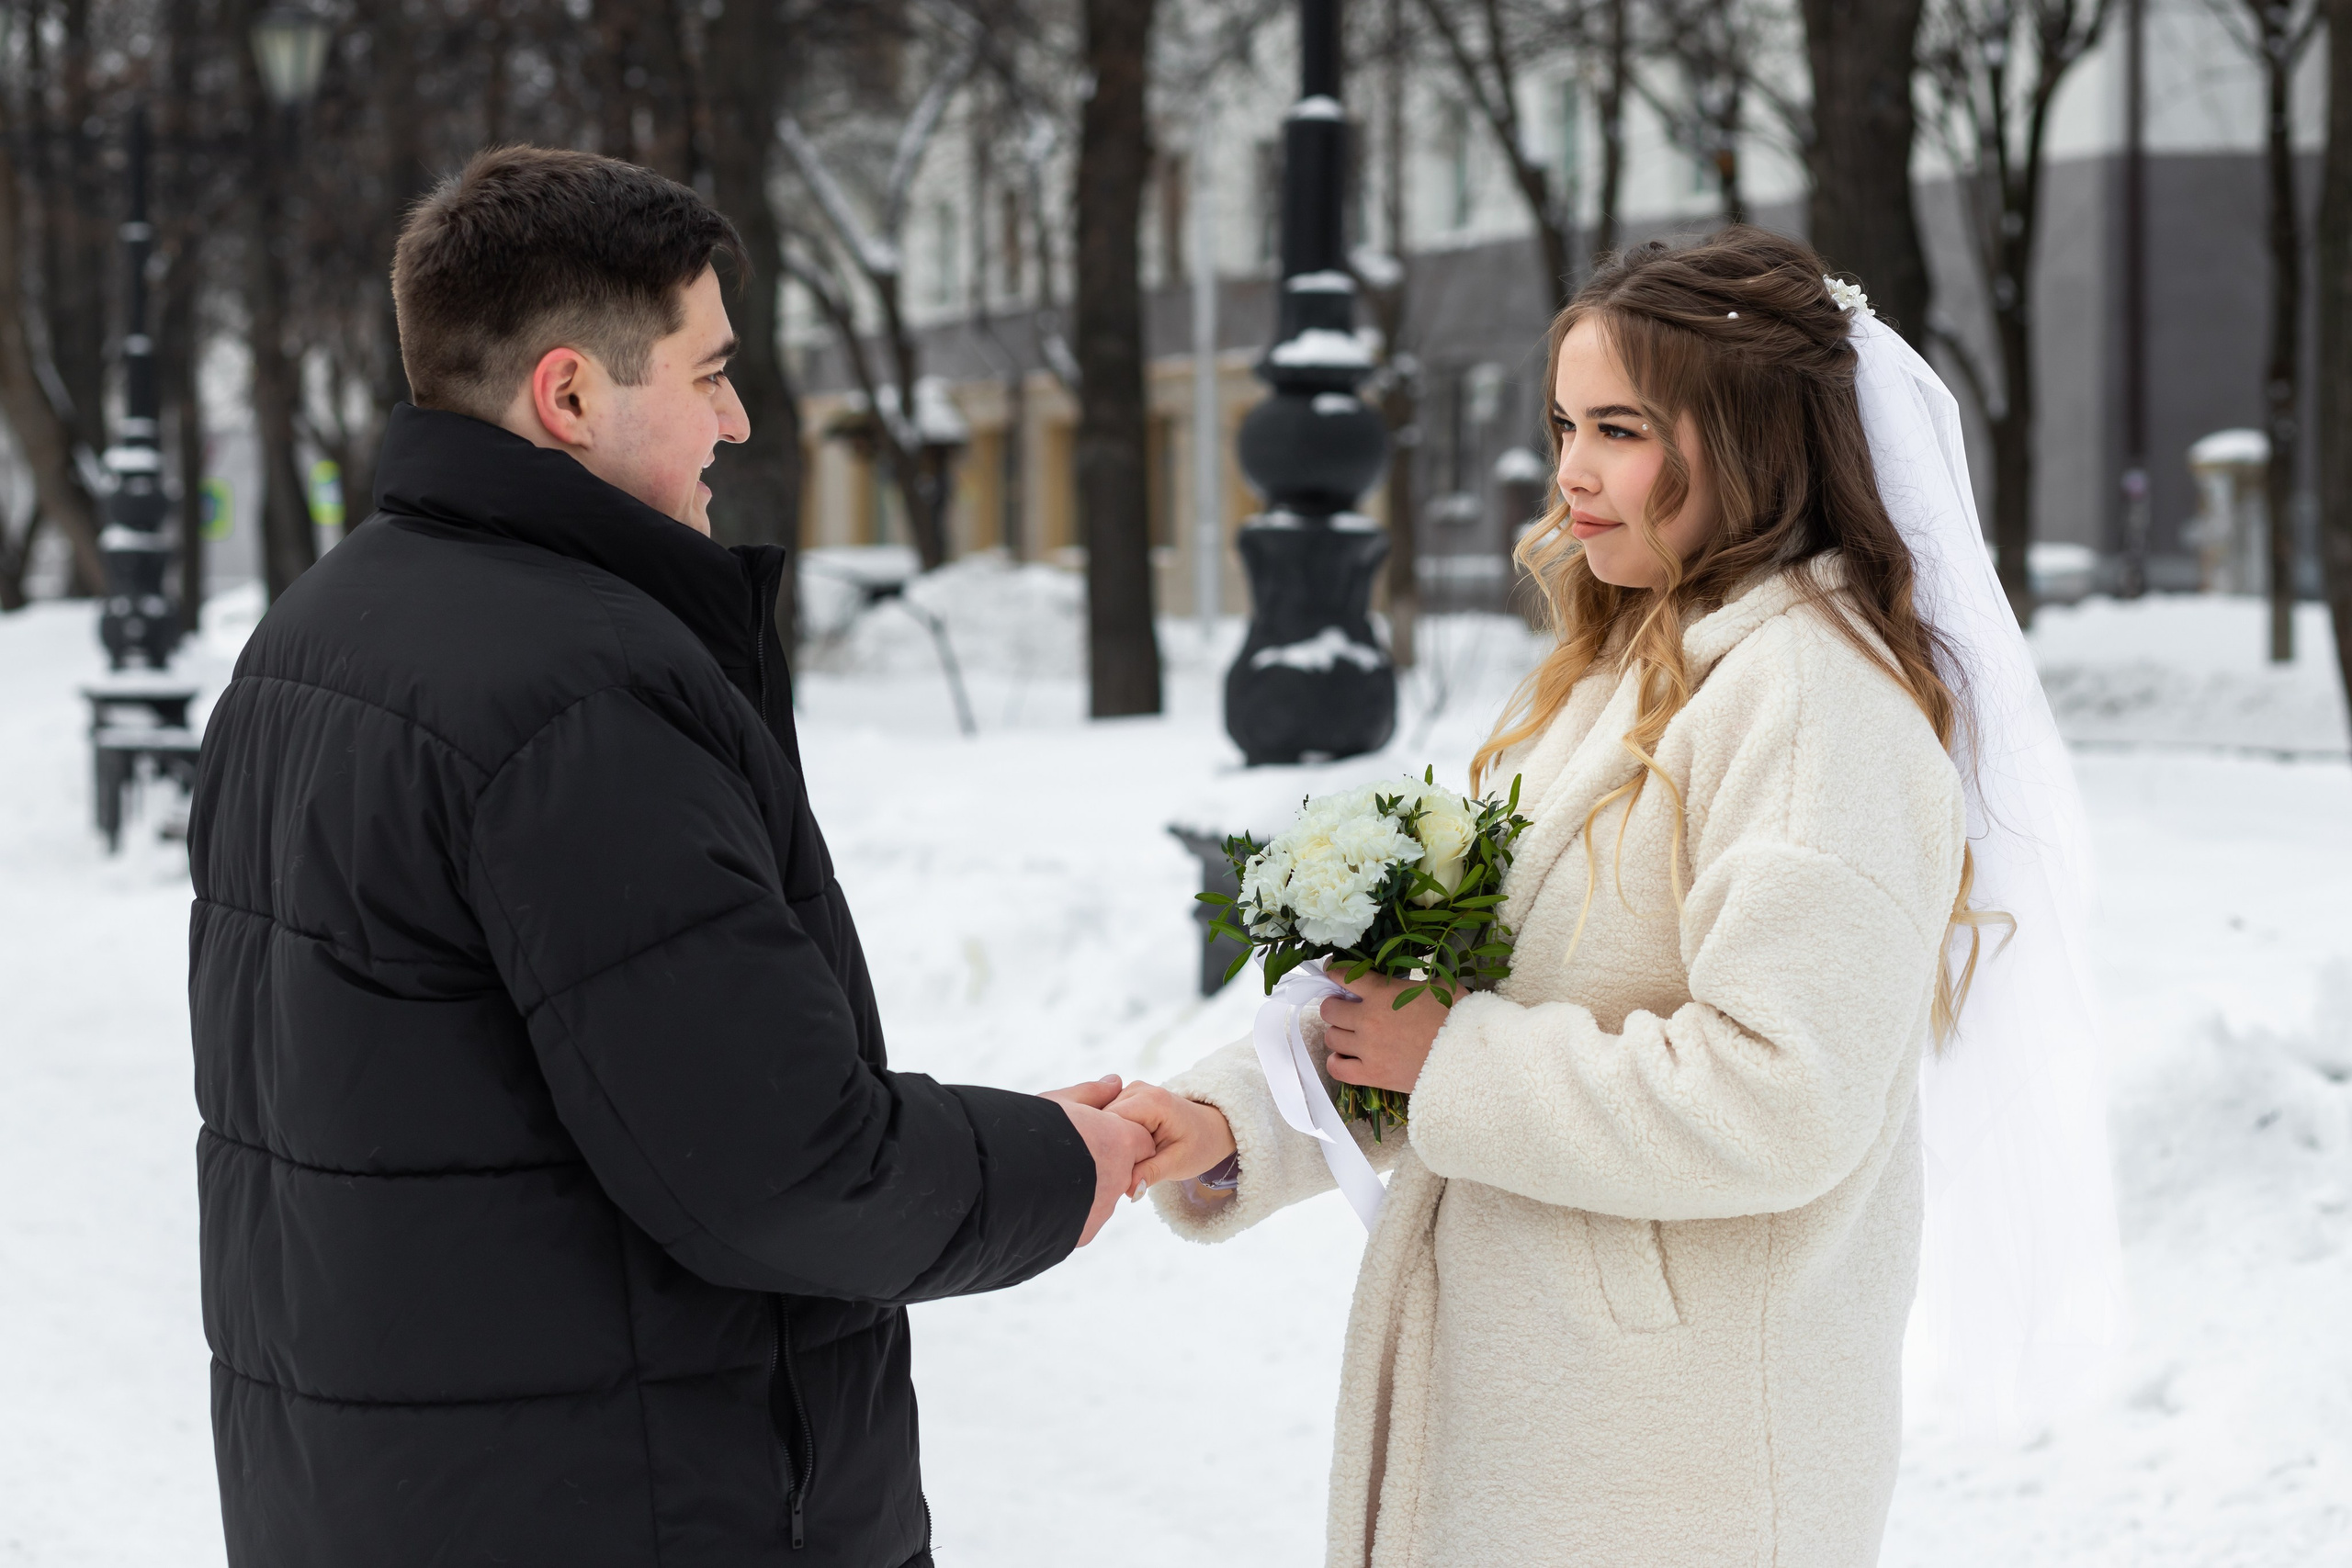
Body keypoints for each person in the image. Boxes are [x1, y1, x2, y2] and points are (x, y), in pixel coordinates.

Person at [187, 145, 1150, 1568]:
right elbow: (778, 1169)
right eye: (708, 374)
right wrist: (1062, 1168)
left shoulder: (317, 636)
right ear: (569, 394)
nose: (738, 419)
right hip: (628, 1501)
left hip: (390, 1491)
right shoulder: (578, 694)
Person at [1112, 229, 1989, 1567]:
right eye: (1565, 422)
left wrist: (1453, 1059)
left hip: (1672, 1465)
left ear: (1755, 442)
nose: (1568, 471)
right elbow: (1464, 997)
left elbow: (1780, 1096)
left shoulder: (1815, 709)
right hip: (1560, 1426)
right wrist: (1232, 1118)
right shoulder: (1623, 672)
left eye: (1622, 430)